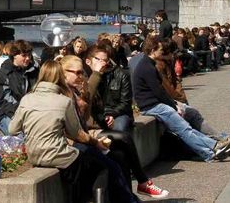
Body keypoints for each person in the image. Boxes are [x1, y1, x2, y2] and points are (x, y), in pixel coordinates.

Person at [9, 61, 138, 203]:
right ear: (59, 77)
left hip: (34, 155)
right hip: (60, 156)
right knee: (103, 169)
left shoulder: (27, 99)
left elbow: (12, 129)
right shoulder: (63, 102)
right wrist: (96, 143)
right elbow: (78, 134)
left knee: (94, 167)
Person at [60, 55, 169, 199]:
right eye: (77, 73)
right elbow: (75, 128)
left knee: (121, 154)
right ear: (63, 72)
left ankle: (133, 192)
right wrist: (91, 84)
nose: (81, 76)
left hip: (91, 130)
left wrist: (89, 99)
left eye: (82, 72)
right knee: (117, 149)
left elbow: (92, 114)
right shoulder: (63, 93)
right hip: (78, 139)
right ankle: (140, 186)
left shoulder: (85, 85)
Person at [131, 34, 230, 162]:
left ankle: (212, 148)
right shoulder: (148, 68)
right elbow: (159, 92)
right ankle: (210, 150)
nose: (163, 53)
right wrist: (174, 106)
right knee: (184, 129)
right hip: (152, 106)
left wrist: (173, 104)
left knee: (185, 128)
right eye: (161, 50)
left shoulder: (147, 64)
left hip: (153, 105)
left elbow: (159, 92)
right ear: (152, 51)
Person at [0, 39, 38, 134]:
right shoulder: (3, 73)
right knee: (20, 136)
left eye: (29, 55)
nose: (28, 58)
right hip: (8, 114)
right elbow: (5, 101)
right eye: (24, 55)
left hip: (32, 113)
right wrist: (23, 114)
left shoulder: (35, 71)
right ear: (14, 56)